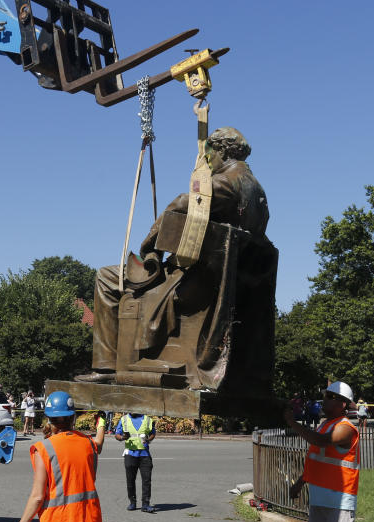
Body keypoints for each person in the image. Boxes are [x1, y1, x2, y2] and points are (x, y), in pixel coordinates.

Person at [81, 127, 272, 389]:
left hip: (199, 283)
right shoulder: (257, 192)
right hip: (224, 283)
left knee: (107, 276)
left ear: (222, 151)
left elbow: (186, 201)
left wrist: (151, 246)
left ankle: (107, 367)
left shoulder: (229, 181)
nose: (207, 160)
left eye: (210, 154)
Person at [12, 391, 107, 522]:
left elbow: (38, 496)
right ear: (73, 417)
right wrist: (101, 423)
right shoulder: (88, 442)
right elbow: (99, 443)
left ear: (49, 419)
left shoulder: (44, 448)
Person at [285, 381, 359, 522]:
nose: (323, 400)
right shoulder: (326, 425)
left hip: (340, 498)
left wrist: (292, 423)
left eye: (329, 397)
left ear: (342, 404)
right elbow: (317, 459)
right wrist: (300, 482)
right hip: (320, 496)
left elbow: (320, 442)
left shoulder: (345, 428)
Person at [114, 412, 157, 513]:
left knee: (146, 480)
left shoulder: (147, 419)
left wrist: (148, 439)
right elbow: (117, 435)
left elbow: (153, 433)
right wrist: (123, 437)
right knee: (130, 480)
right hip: (130, 454)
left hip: (144, 454)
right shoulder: (124, 419)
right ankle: (132, 502)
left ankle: (145, 504)